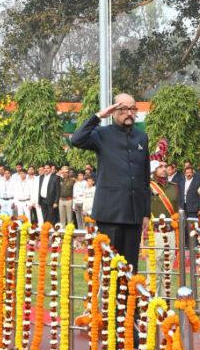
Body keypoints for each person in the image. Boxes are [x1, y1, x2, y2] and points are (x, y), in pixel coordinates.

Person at [69, 93, 150, 271]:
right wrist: (99, 116)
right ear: (114, 111)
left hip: (134, 213)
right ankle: (110, 299)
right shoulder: (102, 134)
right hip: (110, 213)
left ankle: (130, 299)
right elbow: (76, 139)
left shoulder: (141, 137)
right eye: (123, 109)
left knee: (130, 267)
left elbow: (144, 176)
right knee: (110, 267)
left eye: (132, 109)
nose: (129, 113)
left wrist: (146, 213)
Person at [149, 159, 179, 295]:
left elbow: (178, 209)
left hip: (171, 232)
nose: (163, 168)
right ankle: (151, 306)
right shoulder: (148, 186)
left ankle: (164, 305)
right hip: (155, 233)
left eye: (165, 166)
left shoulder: (174, 187)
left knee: (168, 272)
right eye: (160, 166)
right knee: (154, 272)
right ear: (154, 169)